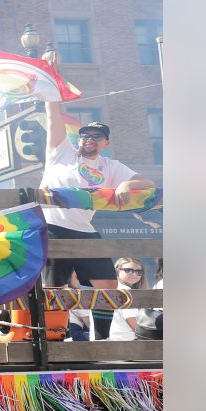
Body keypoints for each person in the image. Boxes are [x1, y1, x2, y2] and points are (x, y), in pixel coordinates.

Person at [41, 101, 155, 338]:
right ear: (78, 138)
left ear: (106, 142)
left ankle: (101, 339)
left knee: (108, 285)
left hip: (84, 229)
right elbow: (53, 114)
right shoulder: (61, 153)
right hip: (52, 226)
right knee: (54, 289)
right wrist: (51, 88)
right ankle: (52, 340)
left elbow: (148, 183)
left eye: (97, 136)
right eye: (85, 135)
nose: (90, 139)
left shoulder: (109, 166)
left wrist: (125, 184)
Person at [108, 258, 147, 342]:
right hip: (126, 341)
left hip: (113, 339)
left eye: (139, 272)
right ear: (117, 271)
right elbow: (132, 320)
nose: (134, 274)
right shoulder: (126, 290)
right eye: (128, 270)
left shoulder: (113, 287)